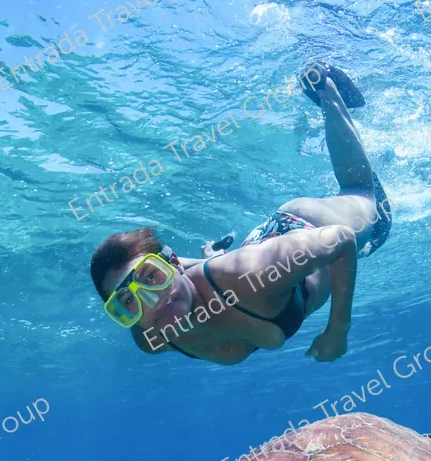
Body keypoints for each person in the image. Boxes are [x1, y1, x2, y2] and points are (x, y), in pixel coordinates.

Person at [89, 64, 392, 365]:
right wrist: (209, 258)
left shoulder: (252, 274)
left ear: (175, 265)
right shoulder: (150, 338)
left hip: (307, 223)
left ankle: (323, 84)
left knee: (362, 192)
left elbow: (340, 240)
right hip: (255, 248)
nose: (152, 302)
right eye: (127, 302)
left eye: (152, 277)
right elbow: (167, 283)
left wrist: (338, 328)